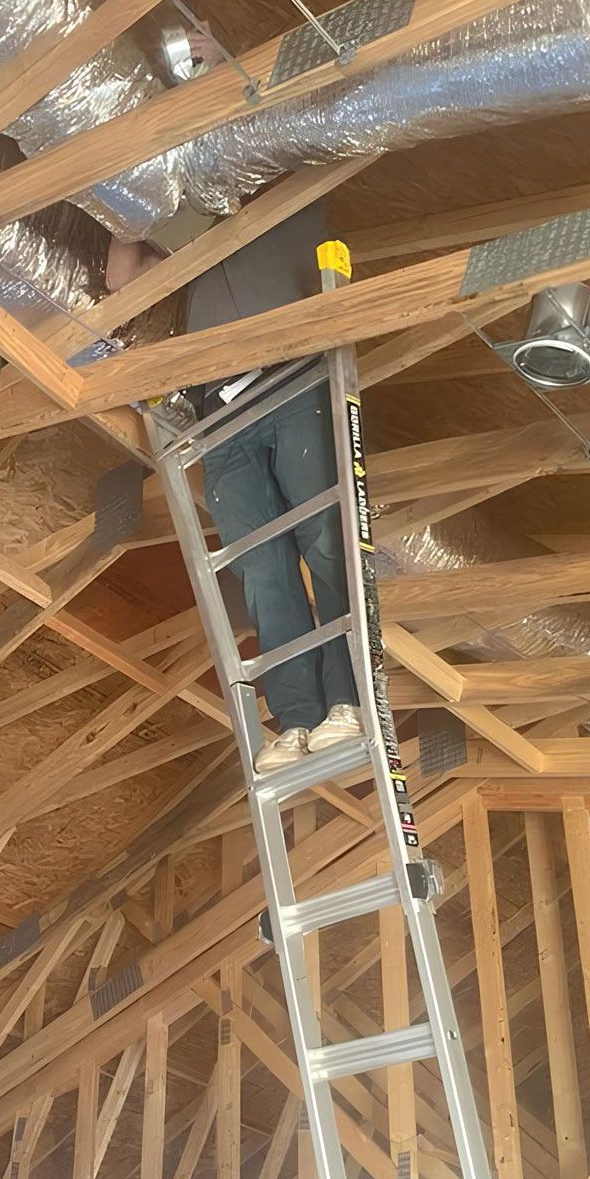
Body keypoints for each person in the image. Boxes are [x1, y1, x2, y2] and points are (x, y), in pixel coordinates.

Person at [107, 197, 364, 774]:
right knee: (262, 571)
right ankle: (297, 718)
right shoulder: (191, 226)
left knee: (326, 541)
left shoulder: (294, 188)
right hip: (220, 412)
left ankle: (347, 702)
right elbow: (121, 281)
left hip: (294, 376)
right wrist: (126, 205)